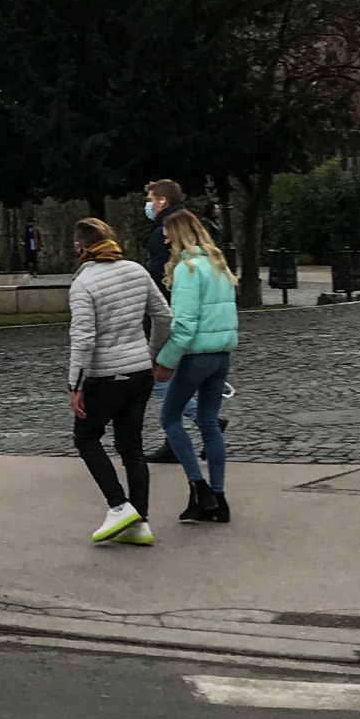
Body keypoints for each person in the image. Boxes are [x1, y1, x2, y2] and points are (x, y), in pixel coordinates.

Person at [66, 217, 172, 546]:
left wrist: (75, 385)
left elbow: (83, 339)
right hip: (139, 372)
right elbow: (164, 315)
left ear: (80, 246)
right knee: (132, 449)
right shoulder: (137, 271)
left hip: (105, 376)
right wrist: (155, 351)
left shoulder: (84, 284)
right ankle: (140, 521)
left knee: (86, 438)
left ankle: (118, 505)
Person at [153, 210, 240, 524]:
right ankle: (218, 496)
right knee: (208, 423)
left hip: (195, 356)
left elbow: (184, 325)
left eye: (167, 235)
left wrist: (165, 362)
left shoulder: (187, 270)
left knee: (170, 417)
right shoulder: (219, 266)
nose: (163, 241)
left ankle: (197, 485)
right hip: (221, 354)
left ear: (178, 236)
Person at [141, 178, 184, 286]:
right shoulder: (187, 222)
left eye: (150, 200)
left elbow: (158, 267)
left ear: (162, 201)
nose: (148, 205)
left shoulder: (162, 231)